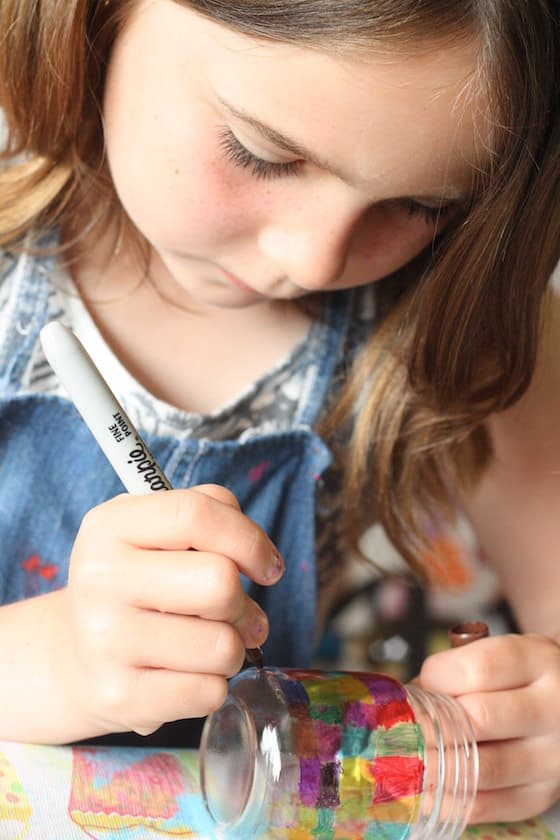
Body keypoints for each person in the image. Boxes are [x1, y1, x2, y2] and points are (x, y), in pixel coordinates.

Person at [0, 0, 558, 825]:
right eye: (261, 154)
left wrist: (538, 719)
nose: (313, 258)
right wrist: (57, 659)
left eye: (420, 204)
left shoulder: (449, 319)